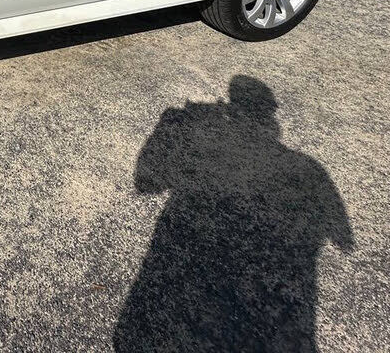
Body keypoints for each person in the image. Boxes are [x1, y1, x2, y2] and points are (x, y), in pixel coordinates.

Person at [114, 75, 353, 352]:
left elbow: (147, 181)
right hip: (265, 312)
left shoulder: (302, 168)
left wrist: (173, 124)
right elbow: (343, 239)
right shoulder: (307, 168)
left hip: (193, 295)